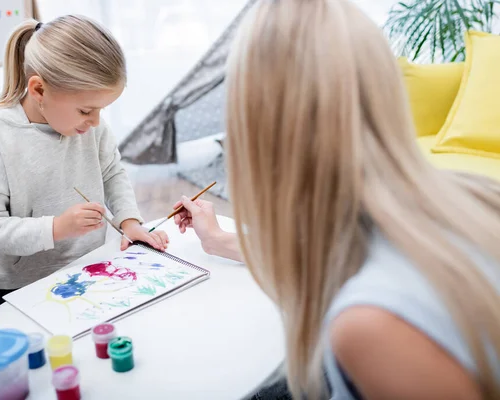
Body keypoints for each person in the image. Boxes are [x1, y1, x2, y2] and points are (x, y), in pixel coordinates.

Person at [173, 0, 500, 398]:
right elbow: (326, 252)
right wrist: (219, 239)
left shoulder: (371, 327)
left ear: (256, 129)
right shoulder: (472, 191)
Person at [0, 16, 168, 323]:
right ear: (39, 90)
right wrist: (57, 228)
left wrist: (130, 222)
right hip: (2, 291)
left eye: (101, 110)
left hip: (78, 271)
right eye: (86, 110)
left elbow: (112, 173)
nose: (96, 121)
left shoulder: (90, 128)